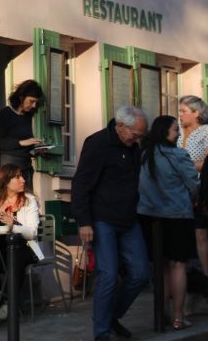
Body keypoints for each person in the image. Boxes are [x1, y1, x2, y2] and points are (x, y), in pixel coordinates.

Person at [72, 106, 151, 341]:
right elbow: (81, 184)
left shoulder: (133, 147)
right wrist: (84, 221)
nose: (137, 139)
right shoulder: (97, 144)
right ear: (120, 126)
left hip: (128, 218)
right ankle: (102, 332)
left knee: (140, 272)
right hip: (101, 218)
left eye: (140, 136)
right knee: (108, 273)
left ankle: (111, 316)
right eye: (135, 134)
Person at [138, 115, 200, 331]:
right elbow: (194, 182)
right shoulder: (178, 155)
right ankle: (178, 316)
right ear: (165, 132)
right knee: (178, 265)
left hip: (150, 216)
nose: (178, 133)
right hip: (177, 214)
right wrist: (194, 198)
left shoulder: (145, 155)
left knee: (161, 265)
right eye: (175, 130)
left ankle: (160, 313)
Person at [0, 163, 41, 319]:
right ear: (5, 181)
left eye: (22, 176)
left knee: (15, 257)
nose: (23, 180)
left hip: (25, 247)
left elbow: (32, 233)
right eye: (17, 177)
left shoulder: (28, 200)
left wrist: (14, 224)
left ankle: (10, 303)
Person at [177, 95, 208, 279]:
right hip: (178, 190)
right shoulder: (176, 131)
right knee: (183, 234)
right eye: (179, 111)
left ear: (197, 113)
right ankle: (184, 275)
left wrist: (186, 166)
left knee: (200, 231)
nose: (180, 115)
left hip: (200, 188)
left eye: (184, 111)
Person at [0, 79, 45, 187]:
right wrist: (22, 142)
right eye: (31, 101)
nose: (34, 106)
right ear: (21, 97)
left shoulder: (28, 117)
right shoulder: (5, 114)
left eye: (36, 102)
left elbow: (27, 149)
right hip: (9, 169)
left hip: (26, 169)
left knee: (27, 202)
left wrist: (36, 151)